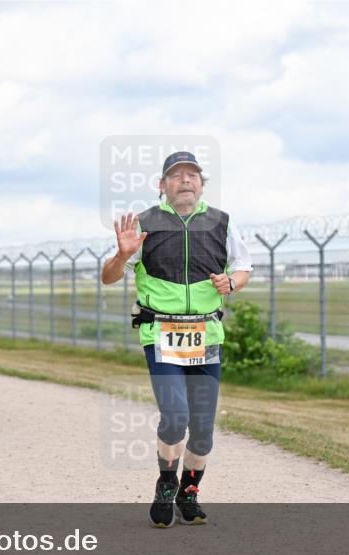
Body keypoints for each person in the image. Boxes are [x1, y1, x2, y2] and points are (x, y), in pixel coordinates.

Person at [101, 151, 253, 528]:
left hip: (207, 335)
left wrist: (231, 282)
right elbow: (108, 277)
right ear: (162, 185)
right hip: (162, 335)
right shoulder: (144, 224)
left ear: (201, 183)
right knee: (175, 417)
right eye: (176, 175)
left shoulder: (222, 222)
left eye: (192, 175)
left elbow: (244, 266)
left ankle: (189, 492)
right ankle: (166, 482)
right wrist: (123, 255)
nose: (185, 180)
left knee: (202, 427)